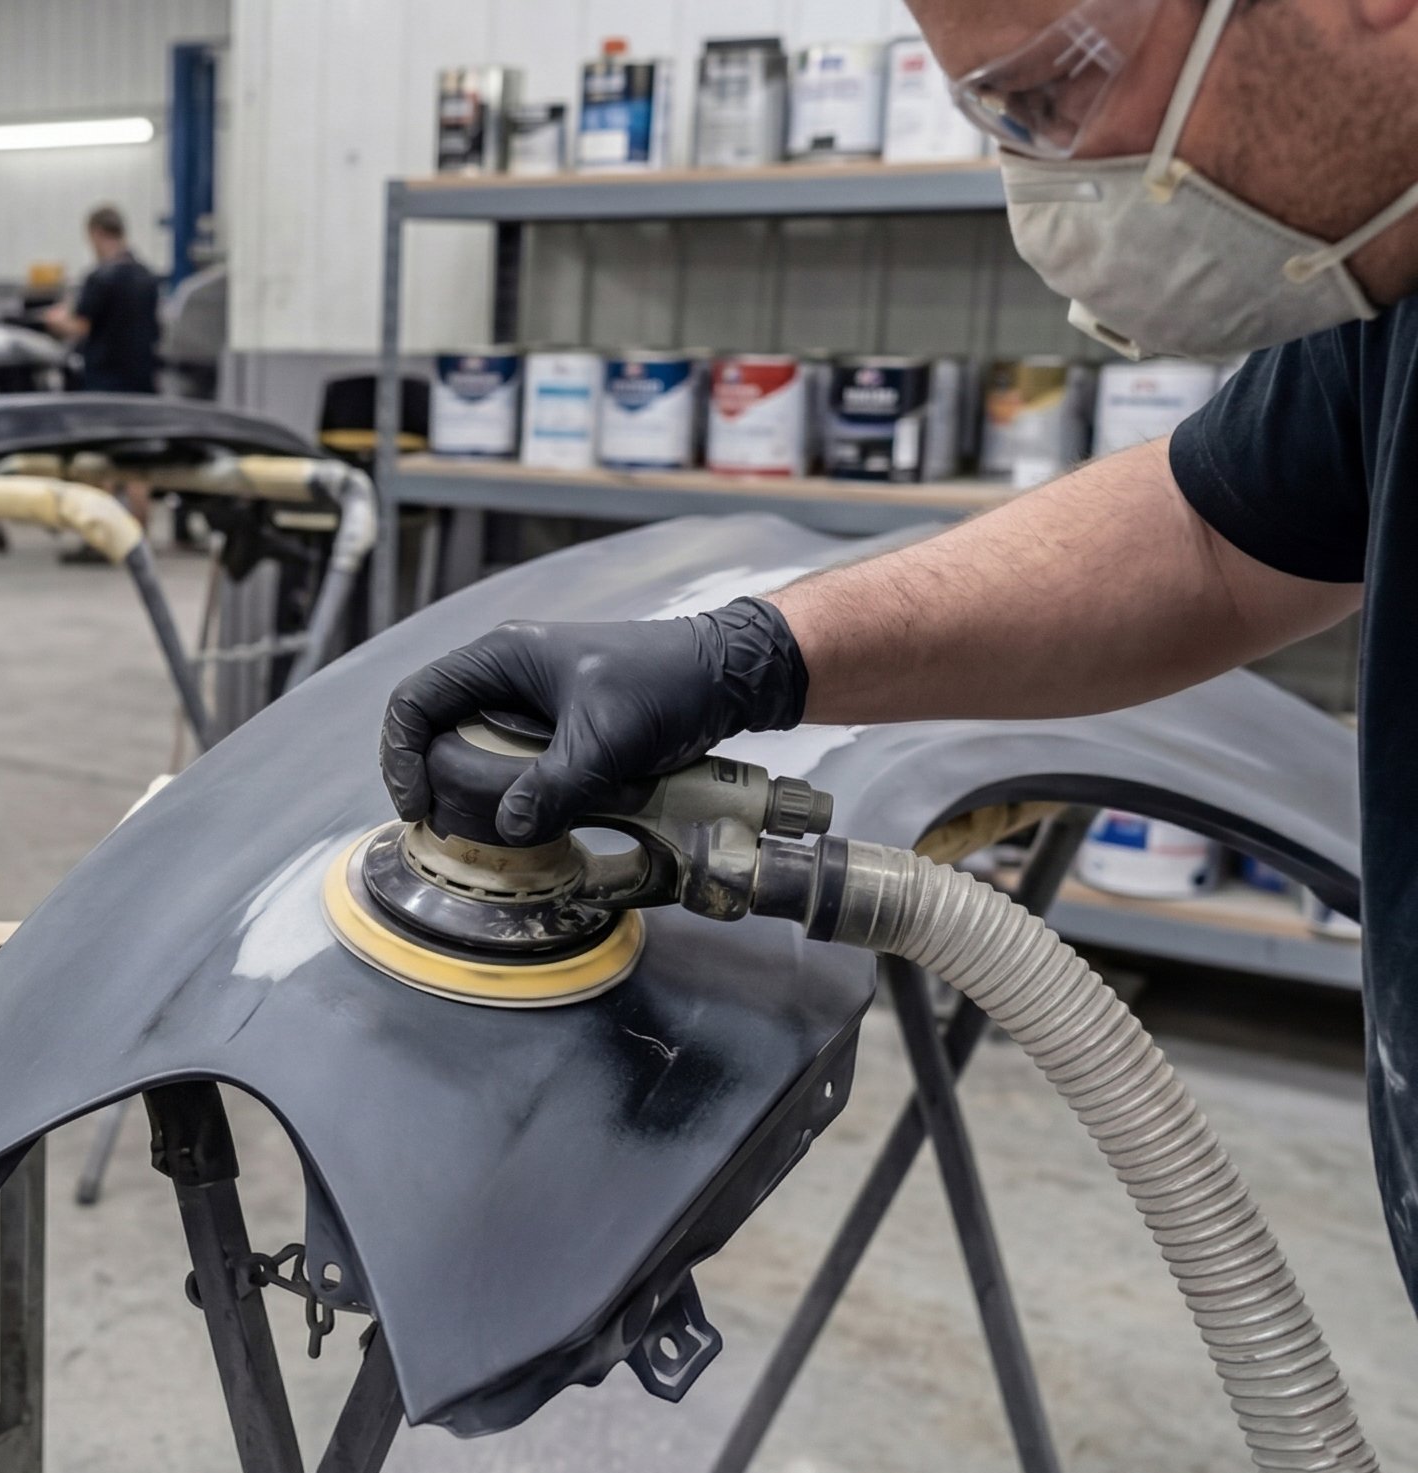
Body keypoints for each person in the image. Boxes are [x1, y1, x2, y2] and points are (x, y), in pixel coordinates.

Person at [378, 0, 1418, 1311]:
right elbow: (1207, 540)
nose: (1051, 180)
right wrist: (745, 656)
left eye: (1054, 93)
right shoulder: (1390, 277)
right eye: (998, 119)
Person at [45, 204, 162, 394]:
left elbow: (80, 328)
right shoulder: (147, 276)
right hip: (143, 383)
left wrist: (54, 320)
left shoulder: (100, 278)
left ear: (97, 234)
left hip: (105, 384)